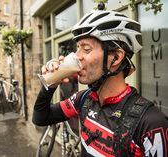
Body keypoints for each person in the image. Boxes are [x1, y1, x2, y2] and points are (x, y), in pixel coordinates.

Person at [32, 10, 168, 157]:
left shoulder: (151, 124)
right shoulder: (83, 99)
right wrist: (50, 85)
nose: (77, 57)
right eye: (77, 48)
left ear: (116, 58)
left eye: (86, 49)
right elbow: (41, 118)